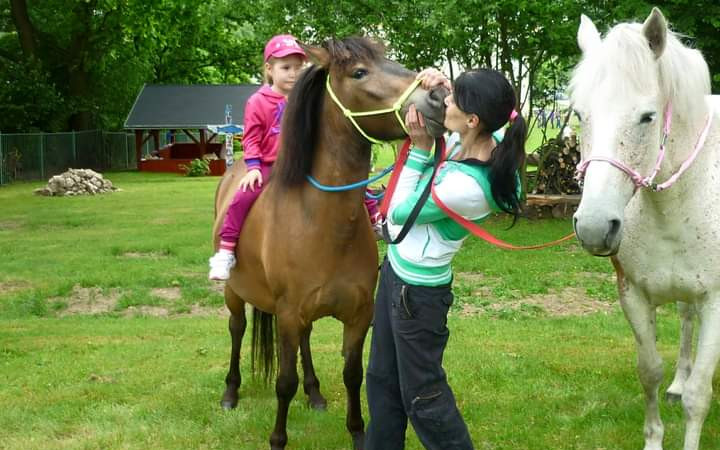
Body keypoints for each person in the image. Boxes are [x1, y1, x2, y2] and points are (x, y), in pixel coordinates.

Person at [365, 68, 527, 449]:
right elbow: (490, 106)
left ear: (472, 120)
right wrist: (443, 82)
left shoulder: (467, 187)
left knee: (423, 397)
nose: (447, 103)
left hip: (416, 298)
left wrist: (419, 148)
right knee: (381, 380)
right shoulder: (489, 136)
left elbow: (399, 214)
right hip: (396, 275)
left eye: (454, 100)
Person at [208, 34, 306, 281]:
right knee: (243, 196)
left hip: (303, 164)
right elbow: (250, 138)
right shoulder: (258, 102)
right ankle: (226, 250)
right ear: (269, 69)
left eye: (298, 67)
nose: (293, 74)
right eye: (286, 68)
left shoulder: (305, 100)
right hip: (269, 164)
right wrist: (252, 167)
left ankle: (373, 218)